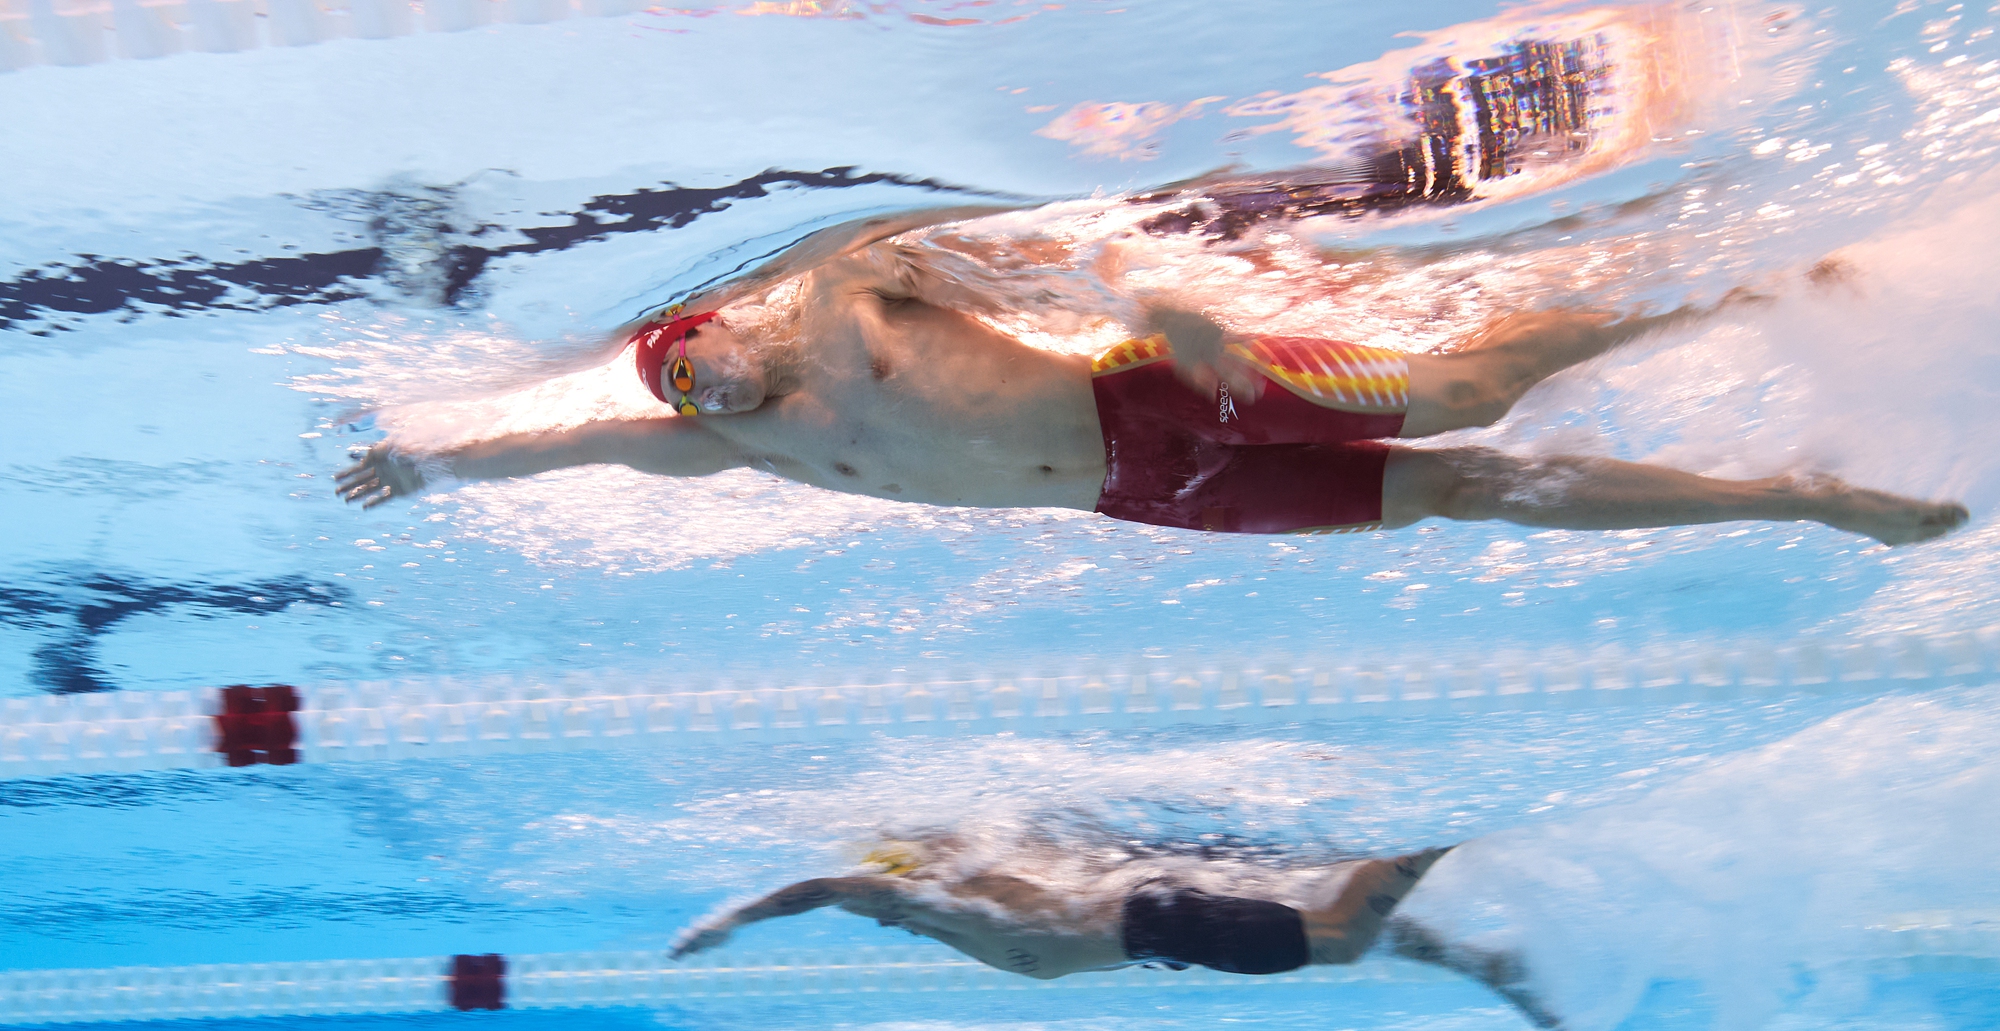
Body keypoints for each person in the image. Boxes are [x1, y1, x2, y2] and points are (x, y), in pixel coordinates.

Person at [334, 220, 1967, 546]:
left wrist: (1175, 310)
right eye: (689, 395)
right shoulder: (747, 453)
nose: (714, 397)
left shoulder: (839, 289)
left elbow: (1058, 259)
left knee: (1468, 386)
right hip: (1150, 498)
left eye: (710, 362)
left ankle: (1733, 293)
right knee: (1476, 492)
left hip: (1156, 400)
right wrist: (430, 466)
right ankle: (1801, 500)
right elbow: (582, 456)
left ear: (732, 314)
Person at [666, 837, 1564, 1031]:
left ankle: (1450, 833)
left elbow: (826, 888)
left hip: (1153, 921)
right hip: (1157, 922)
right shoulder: (952, 903)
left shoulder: (931, 897)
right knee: (1324, 913)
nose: (871, 918)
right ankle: (1492, 964)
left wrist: (729, 921)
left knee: (1337, 936)